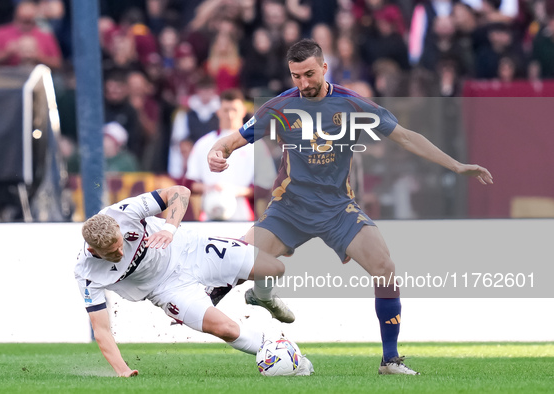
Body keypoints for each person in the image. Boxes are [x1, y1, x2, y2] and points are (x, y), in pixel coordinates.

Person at [207, 39, 493, 375]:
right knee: (234, 262)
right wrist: (217, 153)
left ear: (325, 68)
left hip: (337, 209)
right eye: (296, 76)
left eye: (309, 74)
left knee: (384, 267)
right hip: (289, 209)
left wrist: (457, 166)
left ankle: (390, 360)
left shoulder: (351, 103)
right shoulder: (279, 108)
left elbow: (405, 136)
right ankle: (189, 315)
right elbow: (231, 140)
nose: (303, 83)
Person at [74, 185, 313, 377]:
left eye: (120, 243)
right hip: (167, 290)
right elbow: (101, 330)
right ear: (94, 250)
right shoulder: (87, 273)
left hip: (191, 249)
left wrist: (169, 228)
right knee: (225, 329)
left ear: (118, 227)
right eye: (112, 253)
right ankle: (283, 356)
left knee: (274, 269)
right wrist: (123, 371)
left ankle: (261, 297)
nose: (121, 252)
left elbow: (180, 192)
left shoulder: (122, 212)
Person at [185, 88, 276, 221]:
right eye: (226, 110)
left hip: (243, 217)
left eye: (234, 110)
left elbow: (265, 186)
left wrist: (235, 191)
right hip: (209, 215)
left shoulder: (257, 145)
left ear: (243, 111)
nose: (230, 115)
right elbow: (189, 182)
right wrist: (210, 188)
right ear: (218, 112)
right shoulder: (203, 144)